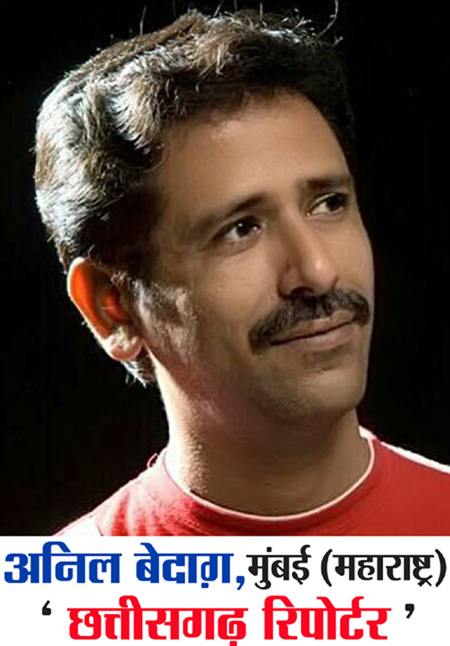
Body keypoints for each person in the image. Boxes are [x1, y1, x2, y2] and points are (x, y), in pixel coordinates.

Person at [34, 8, 450, 536]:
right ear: (110, 306)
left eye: (327, 203)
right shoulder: (68, 586)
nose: (317, 271)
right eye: (240, 229)